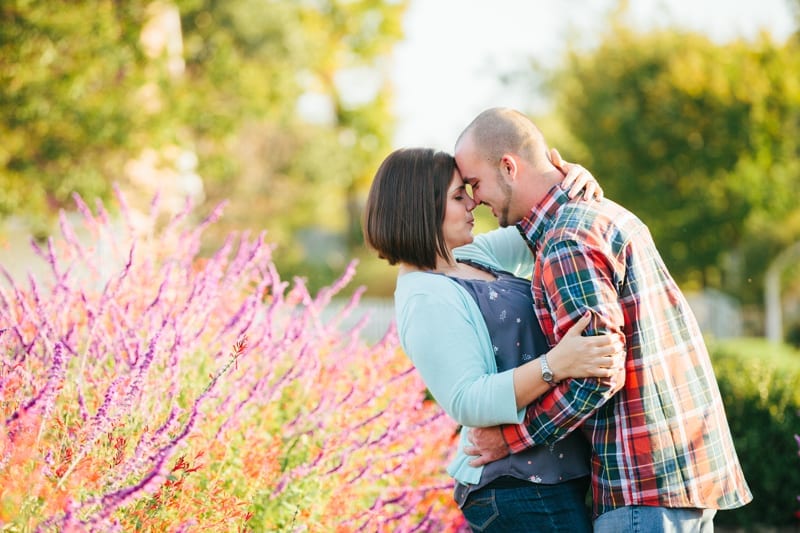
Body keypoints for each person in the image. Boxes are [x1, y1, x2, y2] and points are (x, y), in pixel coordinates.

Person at [453, 107, 753, 532]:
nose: (475, 198)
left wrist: (510, 439)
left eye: (476, 183)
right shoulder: (600, 213)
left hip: (640, 483)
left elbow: (596, 373)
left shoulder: (565, 243)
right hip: (676, 469)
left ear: (508, 166)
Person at [363, 147, 625, 532]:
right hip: (514, 488)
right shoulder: (423, 297)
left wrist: (575, 182)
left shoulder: (472, 255)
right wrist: (558, 364)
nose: (473, 202)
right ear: (421, 208)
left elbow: (550, 221)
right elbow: (468, 400)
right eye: (457, 196)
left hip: (547, 475)